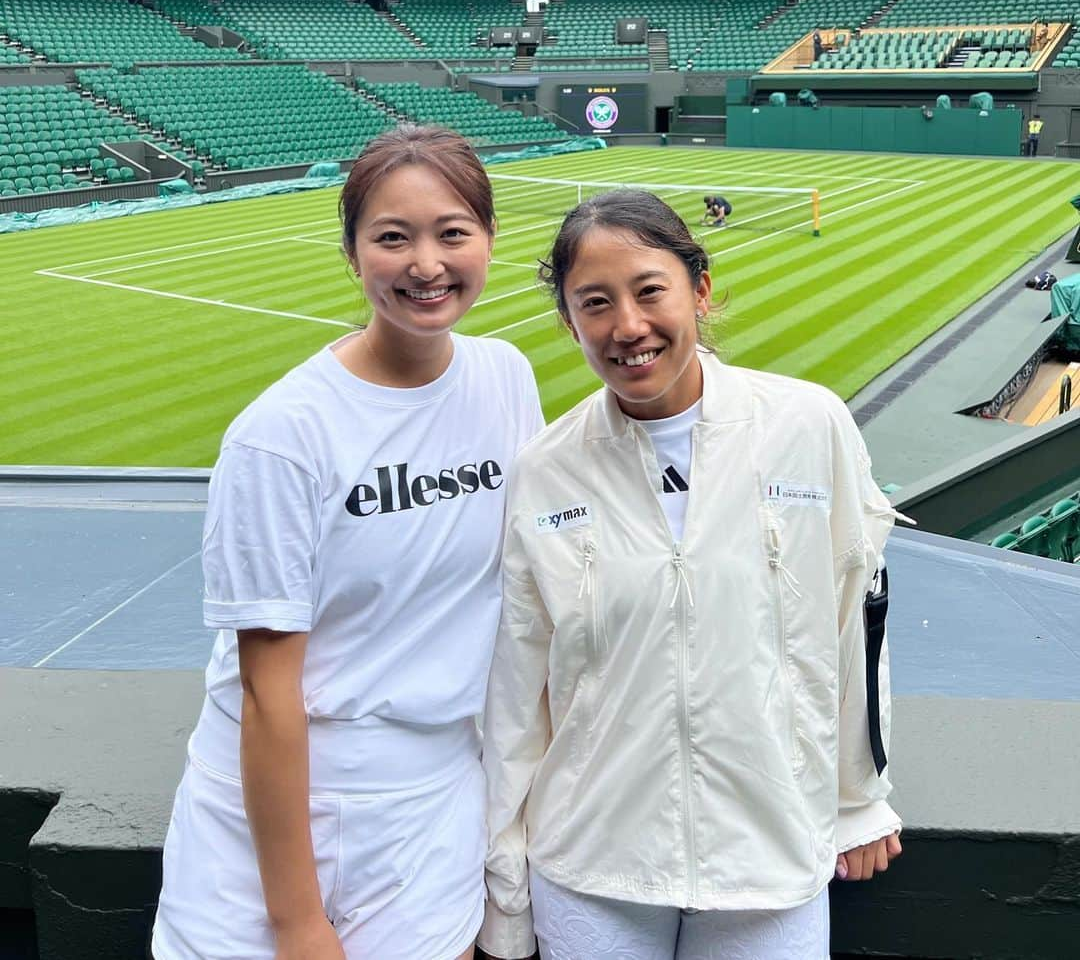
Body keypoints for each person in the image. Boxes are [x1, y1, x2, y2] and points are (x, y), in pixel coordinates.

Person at [480, 190, 905, 960]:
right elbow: (520, 685)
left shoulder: (809, 425)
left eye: (650, 290)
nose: (627, 326)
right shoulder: (545, 467)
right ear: (569, 320)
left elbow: (854, 620)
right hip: (590, 861)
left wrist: (859, 797)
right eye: (594, 303)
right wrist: (506, 881)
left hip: (772, 851)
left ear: (699, 289)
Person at [153, 125, 543, 960]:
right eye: (392, 237)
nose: (426, 264)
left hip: (433, 795)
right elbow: (265, 691)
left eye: (452, 232)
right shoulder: (282, 436)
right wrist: (298, 922)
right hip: (279, 815)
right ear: (352, 251)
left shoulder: (505, 377)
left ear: (488, 238)